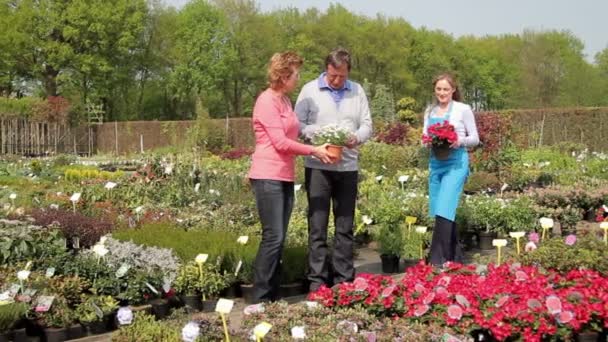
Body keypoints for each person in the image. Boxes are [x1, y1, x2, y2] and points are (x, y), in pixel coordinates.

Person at [248, 51, 332, 303]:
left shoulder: (284, 100)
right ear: (284, 75)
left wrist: (321, 140)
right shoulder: (266, 101)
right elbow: (280, 142)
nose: (299, 77)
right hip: (266, 175)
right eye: (296, 73)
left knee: (279, 237)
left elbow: (293, 136)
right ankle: (260, 299)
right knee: (272, 237)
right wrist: (314, 151)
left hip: (283, 176)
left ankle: (271, 297)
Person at [295, 48, 373, 292]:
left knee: (345, 225)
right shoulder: (309, 90)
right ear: (326, 69)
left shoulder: (357, 90)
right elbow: (297, 124)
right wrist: (317, 135)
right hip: (318, 166)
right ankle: (317, 282)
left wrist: (356, 138)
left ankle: (343, 280)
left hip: (348, 166)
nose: (337, 81)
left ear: (348, 71)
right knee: (317, 226)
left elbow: (368, 125)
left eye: (341, 76)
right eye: (332, 76)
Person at [423, 73, 479, 266]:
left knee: (444, 208)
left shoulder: (463, 110)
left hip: (456, 163)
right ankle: (454, 258)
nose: (442, 93)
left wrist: (458, 140)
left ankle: (436, 260)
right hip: (436, 163)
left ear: (453, 90)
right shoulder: (429, 111)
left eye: (446, 89)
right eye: (438, 89)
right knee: (440, 210)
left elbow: (475, 138)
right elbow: (424, 136)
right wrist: (428, 141)